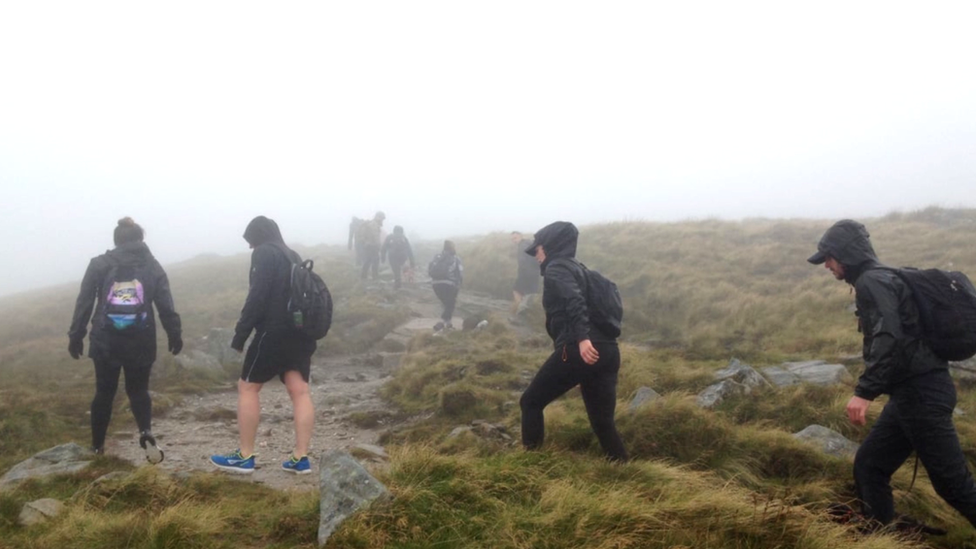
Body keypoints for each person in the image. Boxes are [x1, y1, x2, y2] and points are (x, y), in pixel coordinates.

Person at [809, 219, 976, 529]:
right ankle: (880, 531)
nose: (826, 265)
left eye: (829, 258)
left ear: (845, 254)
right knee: (870, 464)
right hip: (911, 394)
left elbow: (889, 337)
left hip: (922, 395)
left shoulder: (872, 282)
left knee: (954, 486)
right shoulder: (885, 276)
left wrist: (864, 392)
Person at [67, 217, 182, 463]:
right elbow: (165, 303)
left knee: (104, 392)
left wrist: (76, 335)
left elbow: (84, 303)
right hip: (141, 339)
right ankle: (146, 431)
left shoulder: (99, 264)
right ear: (140, 239)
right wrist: (174, 333)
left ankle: (97, 447)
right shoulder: (152, 266)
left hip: (105, 339)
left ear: (116, 240)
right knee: (138, 390)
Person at [210, 216, 317, 475]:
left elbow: (257, 296)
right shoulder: (292, 254)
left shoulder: (263, 254)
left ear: (257, 237)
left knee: (247, 386)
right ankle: (300, 458)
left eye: (250, 241)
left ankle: (244, 456)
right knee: (299, 390)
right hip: (301, 333)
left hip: (273, 331)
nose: (249, 247)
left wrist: (240, 336)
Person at [519, 221, 628, 462]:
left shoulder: (557, 268)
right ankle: (625, 469)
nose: (536, 256)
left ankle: (529, 465)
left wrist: (582, 339)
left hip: (580, 348)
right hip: (608, 351)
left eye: (537, 249)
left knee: (530, 402)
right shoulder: (581, 269)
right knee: (603, 423)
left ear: (548, 247)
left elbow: (574, 300)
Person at [429, 240, 463, 331]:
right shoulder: (456, 258)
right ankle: (444, 323)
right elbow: (460, 273)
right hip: (449, 284)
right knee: (450, 304)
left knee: (446, 303)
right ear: (452, 248)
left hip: (435, 284)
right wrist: (459, 284)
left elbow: (430, 268)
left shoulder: (437, 257)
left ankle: (447, 322)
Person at [510, 231, 540, 323]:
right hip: (536, 273)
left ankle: (518, 314)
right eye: (512, 239)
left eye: (515, 238)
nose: (514, 241)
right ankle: (528, 313)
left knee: (516, 291)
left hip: (526, 274)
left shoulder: (522, 246)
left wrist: (521, 274)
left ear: (520, 236)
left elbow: (523, 262)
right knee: (530, 293)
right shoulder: (531, 244)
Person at [381, 225, 415, 289]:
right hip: (403, 257)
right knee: (402, 268)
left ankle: (397, 286)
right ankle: (407, 279)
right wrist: (412, 261)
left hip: (393, 257)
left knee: (396, 271)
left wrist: (383, 258)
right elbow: (409, 250)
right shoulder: (404, 238)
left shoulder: (390, 237)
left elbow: (384, 248)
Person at [358, 211, 385, 281]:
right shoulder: (374, 225)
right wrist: (379, 245)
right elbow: (375, 236)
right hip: (372, 245)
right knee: (375, 261)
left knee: (368, 261)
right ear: (378, 217)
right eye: (382, 218)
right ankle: (375, 277)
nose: (382, 220)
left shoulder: (371, 224)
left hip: (368, 245)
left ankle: (363, 276)